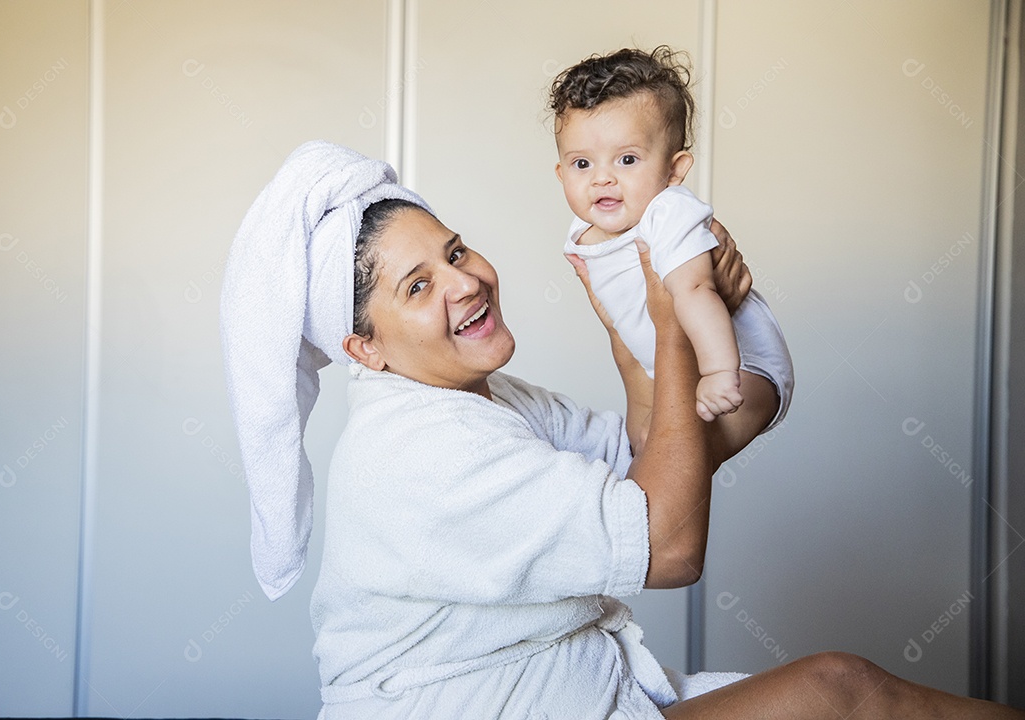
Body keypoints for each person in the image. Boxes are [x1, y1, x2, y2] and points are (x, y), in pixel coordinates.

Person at [221, 141, 1025, 719]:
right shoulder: (420, 453)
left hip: (577, 695)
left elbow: (654, 457)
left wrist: (639, 321)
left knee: (847, 688)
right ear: (364, 348)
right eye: (419, 284)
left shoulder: (485, 398)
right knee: (845, 692)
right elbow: (670, 543)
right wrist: (673, 324)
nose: (467, 282)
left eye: (457, 250)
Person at [551, 46, 794, 433]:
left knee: (680, 454)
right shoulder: (582, 231)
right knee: (645, 453)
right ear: (562, 173)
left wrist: (717, 371)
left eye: (627, 159)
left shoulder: (667, 212)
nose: (602, 178)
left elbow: (696, 289)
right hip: (671, 365)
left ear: (674, 169)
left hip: (742, 366)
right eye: (583, 163)